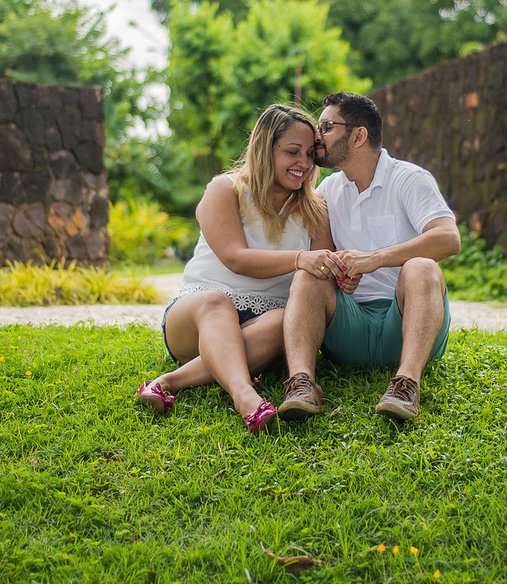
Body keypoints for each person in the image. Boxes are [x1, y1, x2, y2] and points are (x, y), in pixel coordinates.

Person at [136, 104, 354, 433]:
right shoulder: (226, 189)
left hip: (267, 325)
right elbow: (235, 257)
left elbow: (320, 271)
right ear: (265, 149)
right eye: (292, 152)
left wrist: (342, 273)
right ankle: (245, 397)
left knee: (290, 323)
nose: (304, 164)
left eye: (310, 154)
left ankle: (169, 381)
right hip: (197, 317)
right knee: (215, 301)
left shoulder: (315, 208)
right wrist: (300, 258)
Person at [277, 92, 461, 423]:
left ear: (359, 135)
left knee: (421, 267)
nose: (317, 137)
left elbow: (448, 238)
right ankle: (301, 383)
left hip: (406, 324)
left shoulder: (408, 179)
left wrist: (375, 259)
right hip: (350, 329)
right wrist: (339, 271)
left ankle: (406, 384)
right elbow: (324, 257)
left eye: (327, 126)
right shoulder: (328, 191)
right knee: (308, 272)